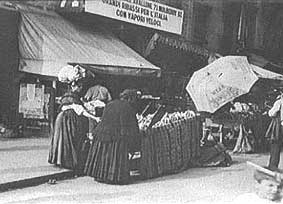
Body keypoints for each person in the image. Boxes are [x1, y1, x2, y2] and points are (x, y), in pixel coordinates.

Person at [84, 89, 141, 185]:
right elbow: (131, 126)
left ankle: (101, 175)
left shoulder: (110, 103)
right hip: (116, 135)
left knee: (103, 155)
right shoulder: (128, 108)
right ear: (130, 98)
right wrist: (135, 139)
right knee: (114, 157)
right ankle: (114, 177)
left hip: (102, 132)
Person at [48, 81, 99, 172]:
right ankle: (67, 161)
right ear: (76, 87)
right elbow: (81, 111)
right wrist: (94, 118)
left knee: (60, 139)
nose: (81, 89)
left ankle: (58, 159)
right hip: (69, 119)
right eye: (80, 87)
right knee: (69, 139)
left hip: (60, 118)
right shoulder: (74, 98)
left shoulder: (65, 96)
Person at [265, 94, 283, 169]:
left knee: (275, 146)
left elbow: (272, 113)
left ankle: (273, 166)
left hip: (281, 126)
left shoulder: (280, 102)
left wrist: (269, 110)